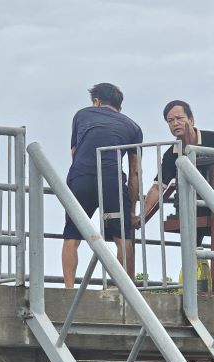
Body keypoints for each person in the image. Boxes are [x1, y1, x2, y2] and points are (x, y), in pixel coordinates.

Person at [62, 83, 143, 288]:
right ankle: (123, 290)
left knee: (72, 235)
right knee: (123, 236)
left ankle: (69, 289)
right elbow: (135, 172)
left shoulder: (82, 115)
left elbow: (74, 153)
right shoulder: (133, 127)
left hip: (82, 175)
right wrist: (132, 210)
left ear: (97, 102)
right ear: (119, 106)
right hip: (112, 178)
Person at [138, 100, 214, 243]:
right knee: (193, 248)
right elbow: (158, 187)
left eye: (179, 118)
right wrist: (142, 216)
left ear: (191, 120)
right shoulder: (171, 154)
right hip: (192, 207)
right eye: (170, 121)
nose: (175, 123)